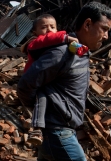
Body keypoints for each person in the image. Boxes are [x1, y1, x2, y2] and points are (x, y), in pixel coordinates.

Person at [17, 1, 111, 161]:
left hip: (60, 130)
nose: (106, 36)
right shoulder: (62, 52)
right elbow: (25, 85)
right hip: (57, 131)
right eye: (104, 29)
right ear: (88, 24)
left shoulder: (80, 52)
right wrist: (37, 106)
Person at [20, 14, 80, 145]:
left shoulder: (55, 44)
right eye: (43, 27)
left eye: (52, 27)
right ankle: (36, 129)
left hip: (50, 80)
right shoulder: (35, 42)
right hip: (37, 80)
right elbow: (47, 40)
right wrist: (65, 37)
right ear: (35, 32)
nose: (49, 30)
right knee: (41, 99)